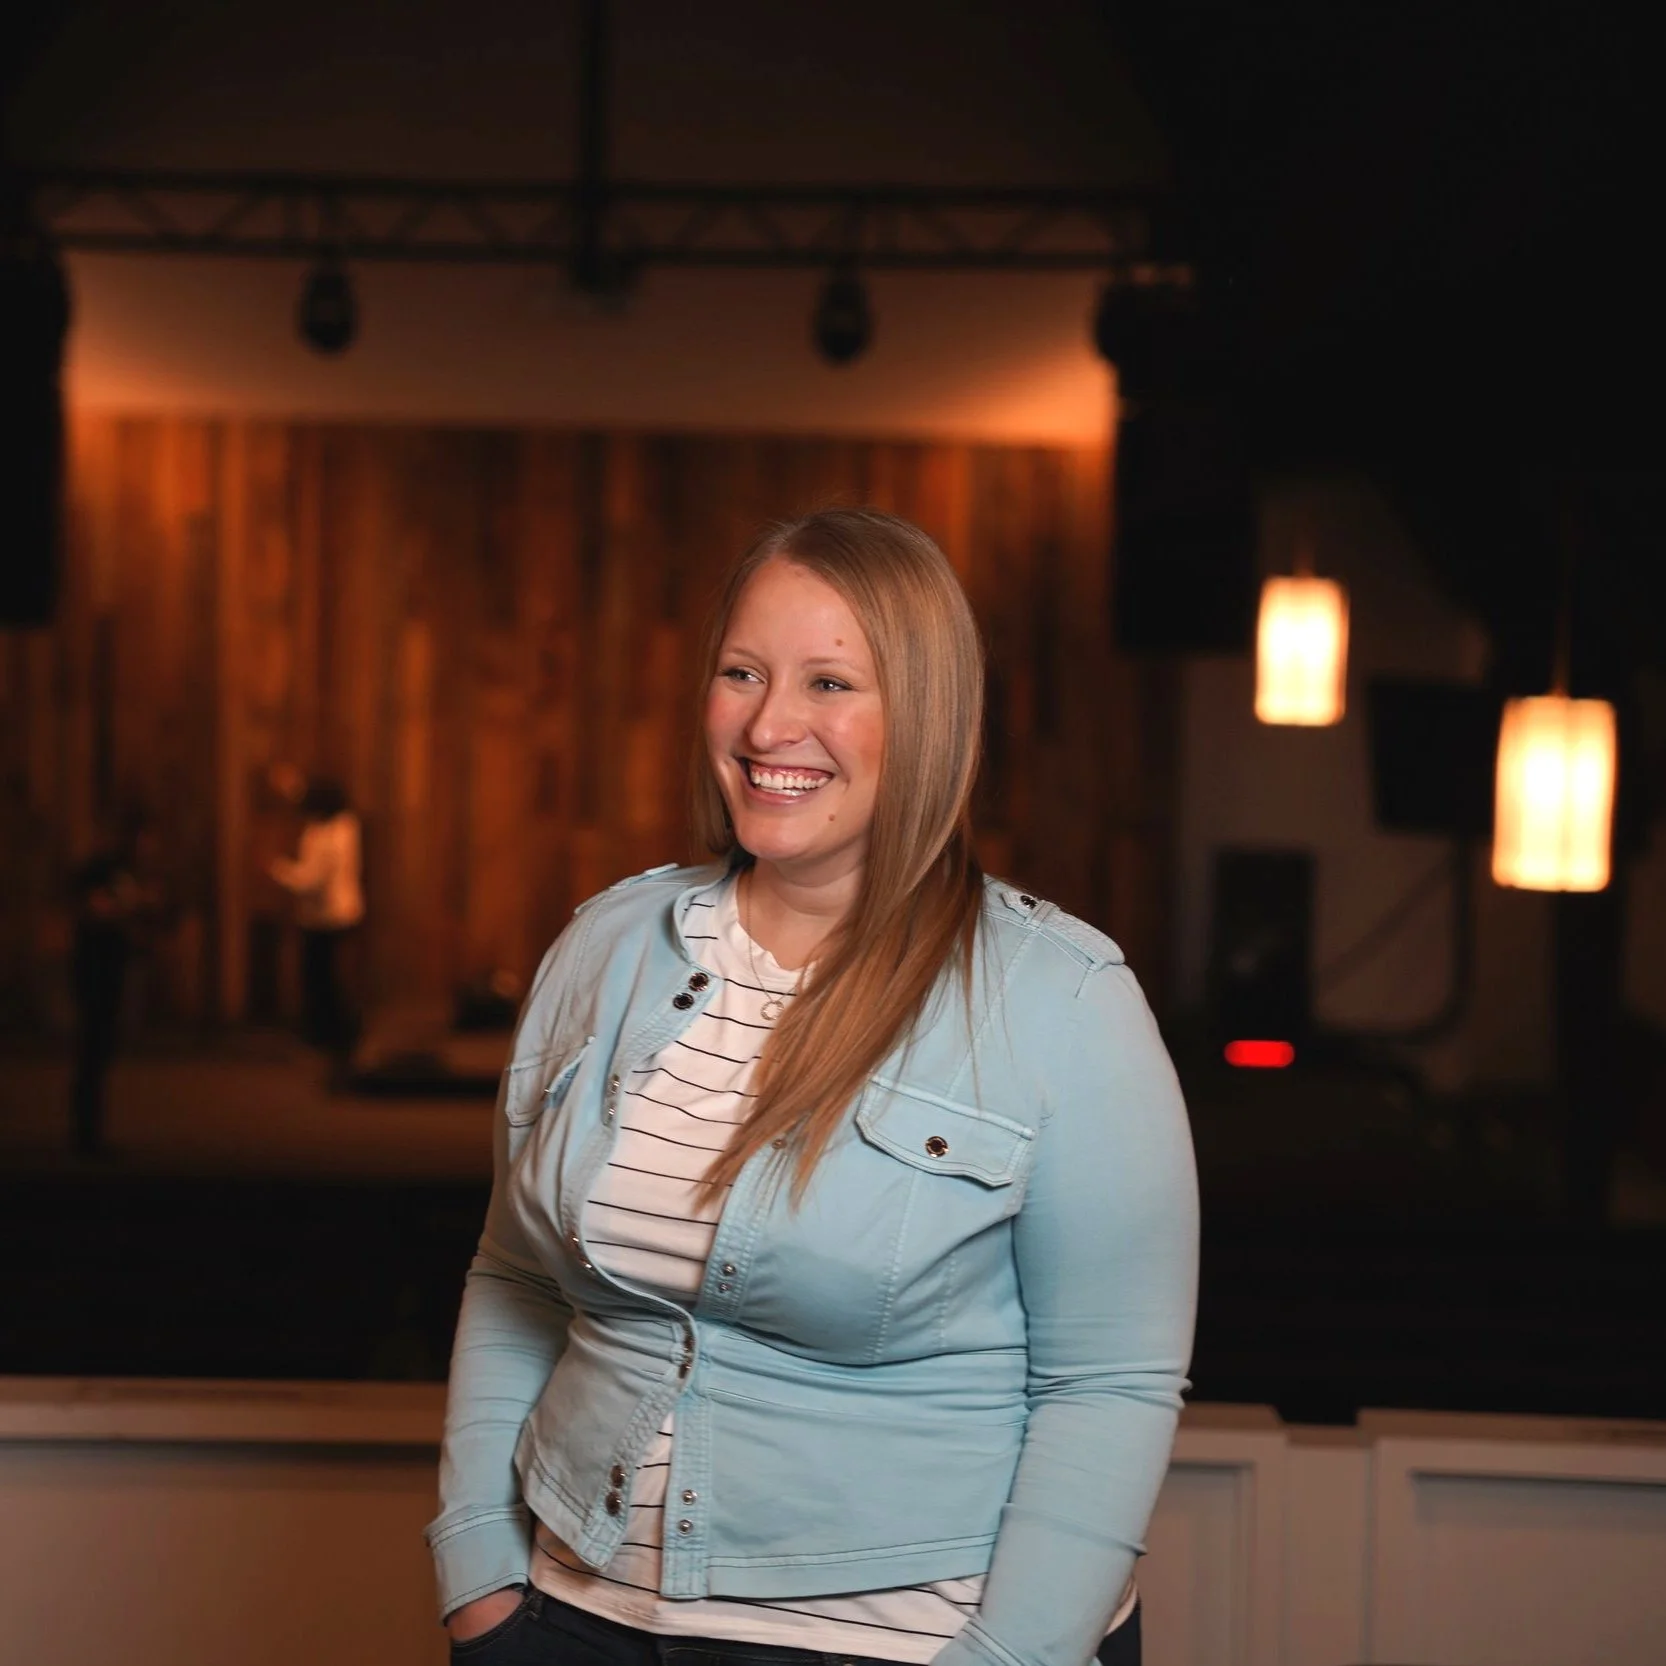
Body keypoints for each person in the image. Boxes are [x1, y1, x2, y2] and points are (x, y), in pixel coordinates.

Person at [428, 509, 1198, 1666]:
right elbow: (514, 1275)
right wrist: (477, 1563)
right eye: (741, 672)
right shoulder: (607, 945)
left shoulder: (1063, 998)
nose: (769, 723)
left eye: (830, 681)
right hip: (569, 1617)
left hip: (908, 1646)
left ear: (926, 716)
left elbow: (1109, 1383)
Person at [66, 810, 157, 1158]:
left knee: (102, 1048)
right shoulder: (102, 870)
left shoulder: (128, 873)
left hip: (112, 965)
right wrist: (127, 908)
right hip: (95, 967)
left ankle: (90, 1129)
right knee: (93, 1047)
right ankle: (85, 1133)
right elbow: (95, 909)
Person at [268, 776, 364, 1075]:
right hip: (345, 913)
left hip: (325, 917)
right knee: (330, 980)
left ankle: (331, 1040)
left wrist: (277, 870)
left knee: (322, 982)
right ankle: (339, 1039)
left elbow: (310, 882)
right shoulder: (347, 826)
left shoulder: (324, 836)